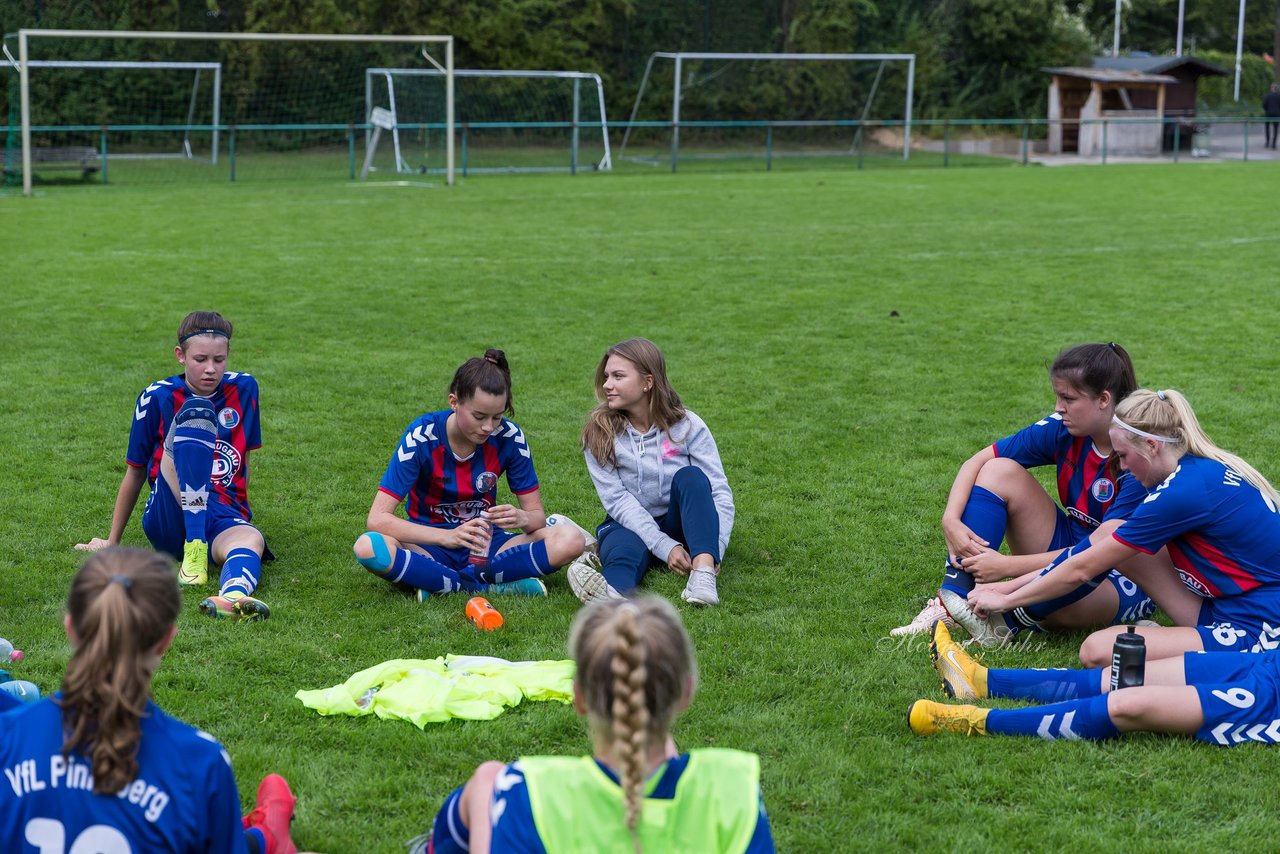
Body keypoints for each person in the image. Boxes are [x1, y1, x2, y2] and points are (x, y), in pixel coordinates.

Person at [414, 597, 775, 853]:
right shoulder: (732, 790)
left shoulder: (530, 794)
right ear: (686, 691)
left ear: (579, 696)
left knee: (488, 779)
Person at [0, 548, 297, 852]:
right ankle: (266, 836)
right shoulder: (200, 762)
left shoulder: (7, 738)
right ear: (167, 639)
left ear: (71, 627)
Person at [968, 388, 1280, 667]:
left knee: (1098, 650)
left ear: (1151, 445)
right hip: (1224, 606)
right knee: (1114, 541)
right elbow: (1097, 550)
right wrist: (1006, 586)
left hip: (1257, 625)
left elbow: (1083, 568)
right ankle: (1007, 619)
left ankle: (1007, 621)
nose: (1124, 468)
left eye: (1123, 456)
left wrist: (1007, 599)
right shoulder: (1194, 470)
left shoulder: (1182, 492)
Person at [892, 343, 1154, 644]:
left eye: (1068, 398)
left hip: (1118, 572)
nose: (1058, 407)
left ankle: (1002, 623)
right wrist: (950, 519)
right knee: (999, 470)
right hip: (1073, 542)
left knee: (1062, 604)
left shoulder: (1136, 459)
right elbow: (978, 460)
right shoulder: (1063, 429)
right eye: (1058, 396)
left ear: (1104, 400)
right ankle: (953, 603)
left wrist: (1005, 567)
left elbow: (1100, 552)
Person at [77, 311, 274, 623]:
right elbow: (136, 471)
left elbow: (244, 457)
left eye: (219, 359)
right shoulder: (156, 397)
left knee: (251, 539)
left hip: (220, 509)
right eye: (200, 359)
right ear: (180, 356)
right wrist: (111, 540)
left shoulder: (245, 388)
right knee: (195, 415)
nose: (211, 369)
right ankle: (194, 545)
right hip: (169, 513)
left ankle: (232, 597)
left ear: (228, 356)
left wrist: (240, 512)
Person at [352, 349, 585, 599]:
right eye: (479, 416)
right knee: (368, 547)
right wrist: (448, 536)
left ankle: (439, 582)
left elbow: (537, 517)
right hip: (428, 543)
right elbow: (377, 519)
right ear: (454, 402)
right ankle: (487, 586)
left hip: (486, 545)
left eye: (497, 416)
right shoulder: (422, 436)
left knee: (571, 540)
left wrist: (521, 517)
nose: (488, 427)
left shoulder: (510, 438)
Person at [910, 619, 1280, 745]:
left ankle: (973, 720)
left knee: (1127, 705)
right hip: (1266, 659)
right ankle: (978, 680)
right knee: (1115, 680)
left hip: (1271, 695)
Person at [568, 338, 734, 607]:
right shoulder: (599, 433)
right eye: (607, 376)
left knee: (691, 478)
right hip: (629, 523)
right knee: (623, 551)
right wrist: (664, 546)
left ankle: (703, 577)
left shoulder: (688, 425)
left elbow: (718, 494)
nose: (607, 384)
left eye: (618, 376)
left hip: (683, 526)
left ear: (648, 382)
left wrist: (715, 552)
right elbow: (617, 501)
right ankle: (611, 596)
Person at [1262, 83, 1280, 149]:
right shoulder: (1279, 96)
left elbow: (1264, 105)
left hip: (1268, 113)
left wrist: (1267, 110)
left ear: (1271, 88)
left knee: (1267, 128)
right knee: (1276, 129)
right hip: (1277, 114)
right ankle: (1274, 144)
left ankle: (1267, 142)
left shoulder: (1267, 96)